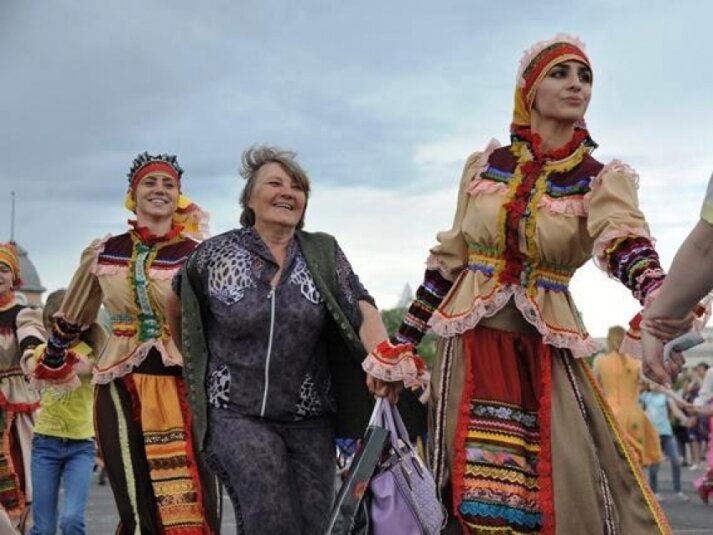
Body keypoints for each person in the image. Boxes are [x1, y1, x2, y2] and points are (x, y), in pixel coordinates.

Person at [362, 34, 692, 533]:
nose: (576, 85)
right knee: (469, 484)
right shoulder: (483, 168)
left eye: (585, 77)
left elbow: (625, 243)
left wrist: (659, 298)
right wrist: (401, 346)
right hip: (470, 342)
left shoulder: (598, 177)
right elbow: (450, 260)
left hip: (544, 347)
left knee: (557, 479)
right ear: (530, 90)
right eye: (560, 74)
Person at [166, 145, 415, 535]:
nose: (288, 192)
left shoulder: (322, 251)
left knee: (319, 525)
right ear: (250, 198)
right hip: (236, 414)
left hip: (309, 418)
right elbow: (179, 307)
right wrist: (199, 364)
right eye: (275, 183)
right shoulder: (212, 255)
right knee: (272, 520)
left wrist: (383, 355)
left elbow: (362, 307)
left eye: (297, 187)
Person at [30, 153, 220, 534]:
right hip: (119, 383)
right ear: (133, 194)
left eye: (168, 185)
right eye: (150, 183)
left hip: (183, 382)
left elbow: (218, 320)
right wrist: (51, 358)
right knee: (135, 499)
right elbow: (73, 314)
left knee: (195, 498)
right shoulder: (105, 251)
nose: (159, 190)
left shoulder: (198, 253)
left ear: (179, 196)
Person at [23, 289, 106, 534]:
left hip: (80, 447)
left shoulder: (92, 356)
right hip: (45, 444)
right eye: (53, 324)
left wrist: (86, 367)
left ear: (81, 323)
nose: (57, 331)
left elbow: (93, 368)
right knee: (44, 528)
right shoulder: (43, 353)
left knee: (72, 520)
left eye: (64, 323)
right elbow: (34, 368)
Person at [0, 243, 44, 533]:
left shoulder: (21, 313)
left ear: (14, 276)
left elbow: (31, 340)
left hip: (15, 401)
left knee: (22, 473)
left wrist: (33, 357)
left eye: (3, 269)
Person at [593, 326, 662, 467]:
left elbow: (594, 388)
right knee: (637, 465)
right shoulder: (636, 362)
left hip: (609, 416)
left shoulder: (600, 362)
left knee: (612, 464)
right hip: (633, 415)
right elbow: (651, 382)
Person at [640, 381, 690, 502]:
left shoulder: (665, 397)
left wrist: (685, 419)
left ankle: (678, 491)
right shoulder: (645, 396)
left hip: (667, 433)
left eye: (657, 383)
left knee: (676, 461)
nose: (655, 385)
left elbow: (675, 411)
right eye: (652, 383)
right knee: (654, 465)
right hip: (653, 436)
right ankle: (654, 492)